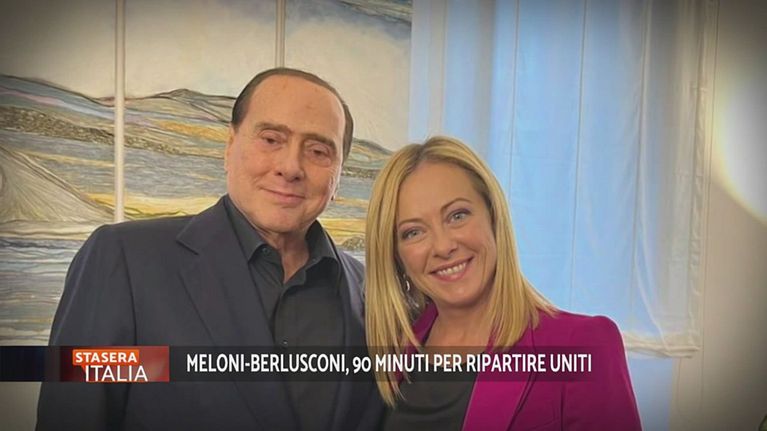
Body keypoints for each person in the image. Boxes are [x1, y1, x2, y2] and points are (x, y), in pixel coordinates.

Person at [37, 68, 382, 430]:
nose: (290, 167)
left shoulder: (371, 295)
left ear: (338, 174)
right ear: (230, 146)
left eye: (318, 151)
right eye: (271, 139)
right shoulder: (124, 260)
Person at [365, 136, 641, 430]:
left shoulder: (583, 346)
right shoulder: (393, 353)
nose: (443, 246)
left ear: (494, 217)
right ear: (396, 255)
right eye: (413, 232)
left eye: (458, 215)